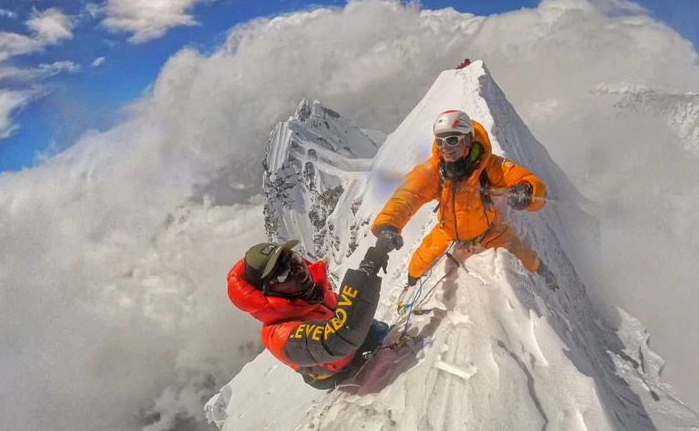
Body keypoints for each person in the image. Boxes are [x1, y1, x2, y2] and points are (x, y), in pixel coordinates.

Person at [371, 109, 558, 289]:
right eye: (440, 141)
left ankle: (545, 275)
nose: (445, 148)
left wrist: (526, 190)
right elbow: (408, 195)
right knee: (418, 262)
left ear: (467, 140)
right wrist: (388, 225)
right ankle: (410, 285)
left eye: (452, 140)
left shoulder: (488, 165)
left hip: (489, 231)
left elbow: (529, 182)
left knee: (524, 254)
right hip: (448, 230)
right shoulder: (435, 171)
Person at [226, 239, 391, 389]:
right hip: (340, 371)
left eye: (294, 260)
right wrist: (367, 270)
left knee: (379, 330)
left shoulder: (308, 291)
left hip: (355, 339)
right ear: (267, 291)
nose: (298, 270)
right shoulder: (278, 334)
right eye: (283, 274)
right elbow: (336, 340)